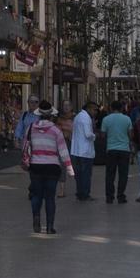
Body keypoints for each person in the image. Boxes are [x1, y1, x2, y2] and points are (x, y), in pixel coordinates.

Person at [22, 100, 71, 234]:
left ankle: (36, 219)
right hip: (52, 167)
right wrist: (69, 168)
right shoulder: (56, 130)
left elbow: (25, 147)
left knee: (36, 195)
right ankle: (49, 227)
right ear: (51, 115)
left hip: (36, 166)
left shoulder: (30, 128)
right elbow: (63, 151)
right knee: (50, 197)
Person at [100, 101, 133, 203]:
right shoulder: (127, 119)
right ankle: (120, 195)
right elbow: (131, 135)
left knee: (110, 174)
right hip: (124, 150)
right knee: (123, 174)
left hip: (111, 150)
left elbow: (102, 135)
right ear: (122, 108)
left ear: (111, 108)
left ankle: (109, 197)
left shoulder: (106, 119)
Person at [70, 99, 98, 201]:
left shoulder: (78, 116)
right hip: (85, 151)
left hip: (76, 150)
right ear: (89, 109)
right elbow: (88, 134)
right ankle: (85, 194)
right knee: (86, 174)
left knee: (79, 174)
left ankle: (80, 192)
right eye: (94, 110)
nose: (95, 112)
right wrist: (94, 136)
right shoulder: (86, 118)